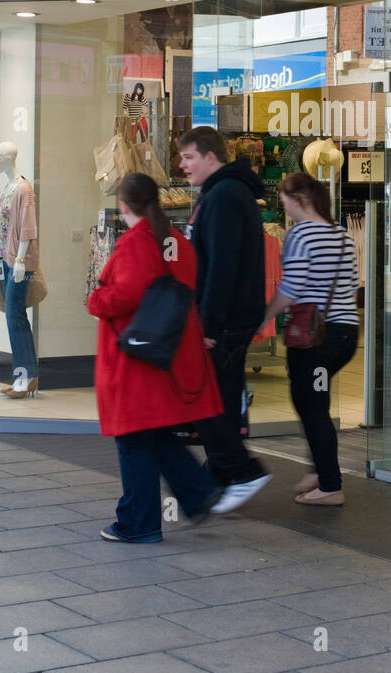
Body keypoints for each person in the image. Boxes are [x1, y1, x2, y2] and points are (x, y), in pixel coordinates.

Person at [86, 172, 225, 541]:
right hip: (170, 355)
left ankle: (139, 522)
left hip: (137, 360)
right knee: (155, 435)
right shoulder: (177, 242)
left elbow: (127, 294)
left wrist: (95, 299)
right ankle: (197, 491)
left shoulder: (136, 242)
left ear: (124, 205)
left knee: (134, 438)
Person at [178, 126, 271, 512]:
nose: (182, 166)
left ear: (211, 157)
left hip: (226, 321)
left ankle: (243, 470)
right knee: (221, 395)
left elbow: (221, 266)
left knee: (209, 397)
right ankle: (220, 476)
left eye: (188, 157)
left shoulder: (224, 196)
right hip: (232, 317)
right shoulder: (223, 194)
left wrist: (209, 326)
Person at [261, 172, 358, 507]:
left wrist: (265, 316)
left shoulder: (302, 234)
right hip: (345, 334)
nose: (282, 205)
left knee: (311, 406)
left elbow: (291, 288)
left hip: (316, 338)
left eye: (284, 199)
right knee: (315, 401)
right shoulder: (341, 234)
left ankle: (331, 485)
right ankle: (319, 469)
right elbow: (353, 284)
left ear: (298, 199)